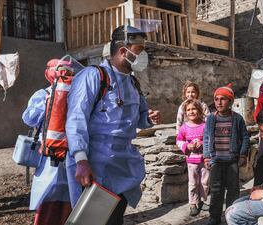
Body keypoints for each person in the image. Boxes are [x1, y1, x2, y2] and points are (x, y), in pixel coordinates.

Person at [65, 25, 161, 225]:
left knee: (115, 219)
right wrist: (81, 160)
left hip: (122, 165)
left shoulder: (133, 83)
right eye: (139, 50)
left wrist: (149, 117)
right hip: (94, 165)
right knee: (92, 221)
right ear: (123, 51)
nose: (143, 55)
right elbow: (76, 119)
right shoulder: (93, 76)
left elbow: (140, 117)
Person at [22, 59, 72, 225]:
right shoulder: (42, 94)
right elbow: (28, 118)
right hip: (47, 152)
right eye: (61, 70)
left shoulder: (75, 93)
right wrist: (47, 103)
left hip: (70, 152)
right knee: (47, 190)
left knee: (68, 191)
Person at [203, 83, 250, 225]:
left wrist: (242, 155)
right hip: (216, 161)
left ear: (230, 101)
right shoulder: (211, 118)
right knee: (216, 191)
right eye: (216, 99)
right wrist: (206, 157)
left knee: (233, 190)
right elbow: (206, 138)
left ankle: (232, 216)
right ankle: (214, 217)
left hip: (232, 161)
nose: (219, 102)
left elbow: (245, 137)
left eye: (223, 99)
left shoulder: (237, 118)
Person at [176, 99, 209, 216]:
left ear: (199, 110)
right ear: (185, 112)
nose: (191, 111)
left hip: (205, 160)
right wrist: (187, 145)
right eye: (188, 110)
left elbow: (209, 139)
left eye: (194, 109)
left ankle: (202, 200)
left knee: (205, 182)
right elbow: (179, 140)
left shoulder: (205, 126)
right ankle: (193, 203)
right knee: (193, 183)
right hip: (192, 161)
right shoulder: (184, 127)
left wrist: (203, 143)